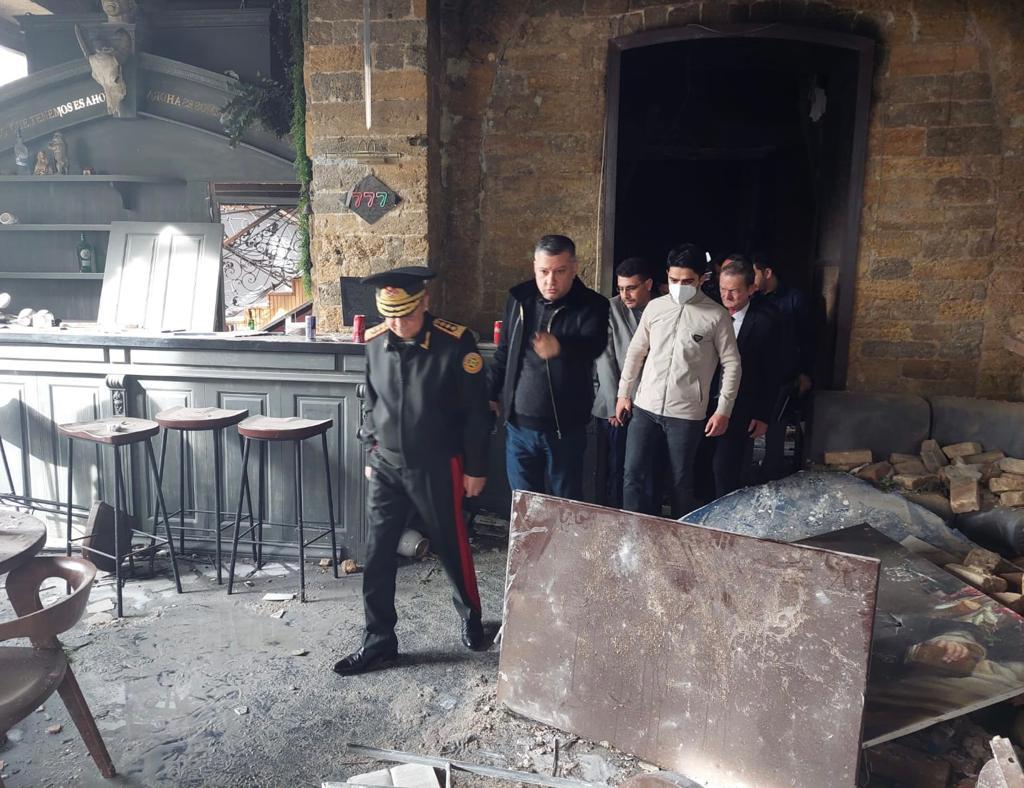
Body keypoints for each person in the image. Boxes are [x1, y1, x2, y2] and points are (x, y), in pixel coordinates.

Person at [334, 266, 492, 677]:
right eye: (389, 316)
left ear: (424, 303)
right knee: (377, 553)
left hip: (436, 465)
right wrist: (370, 450)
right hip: (386, 465)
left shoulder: (455, 344)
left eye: (404, 314)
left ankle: (471, 617)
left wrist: (476, 467)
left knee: (451, 546)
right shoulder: (375, 343)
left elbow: (476, 413)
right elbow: (371, 402)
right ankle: (379, 641)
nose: (397, 324)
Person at [616, 243, 741, 517]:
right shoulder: (655, 308)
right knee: (633, 475)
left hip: (686, 413)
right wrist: (624, 394)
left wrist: (723, 410)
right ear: (667, 275)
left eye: (687, 281)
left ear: (701, 279)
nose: (679, 286)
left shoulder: (716, 316)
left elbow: (732, 364)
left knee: (680, 483)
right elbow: (636, 352)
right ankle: (631, 530)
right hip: (645, 407)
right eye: (674, 280)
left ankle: (679, 536)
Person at [488, 235, 609, 501]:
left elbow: (595, 345)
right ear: (534, 266)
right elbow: (504, 351)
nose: (550, 281)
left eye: (560, 271)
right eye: (544, 272)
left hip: (564, 429)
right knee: (523, 505)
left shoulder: (592, 305)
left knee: (564, 506)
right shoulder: (519, 299)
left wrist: (561, 348)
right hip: (518, 426)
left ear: (574, 268)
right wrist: (490, 393)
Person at [705, 255, 780, 498]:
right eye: (723, 289)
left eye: (734, 291)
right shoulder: (709, 313)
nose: (727, 296)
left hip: (740, 407)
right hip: (701, 403)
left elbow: (771, 373)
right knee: (700, 467)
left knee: (725, 468)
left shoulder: (766, 322)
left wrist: (763, 415)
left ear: (751, 289)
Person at [592, 257, 655, 508]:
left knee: (648, 470)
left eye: (631, 288)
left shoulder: (662, 308)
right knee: (618, 469)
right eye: (620, 288)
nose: (624, 294)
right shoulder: (610, 309)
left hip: (651, 406)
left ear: (648, 284)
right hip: (617, 408)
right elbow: (605, 360)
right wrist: (613, 405)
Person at [751, 252, 816, 480]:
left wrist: (804, 372)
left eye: (754, 274)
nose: (750, 280)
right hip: (757, 374)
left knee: (777, 426)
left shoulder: (794, 299)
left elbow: (807, 339)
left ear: (767, 273)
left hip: (785, 373)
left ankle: (772, 474)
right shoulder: (755, 299)